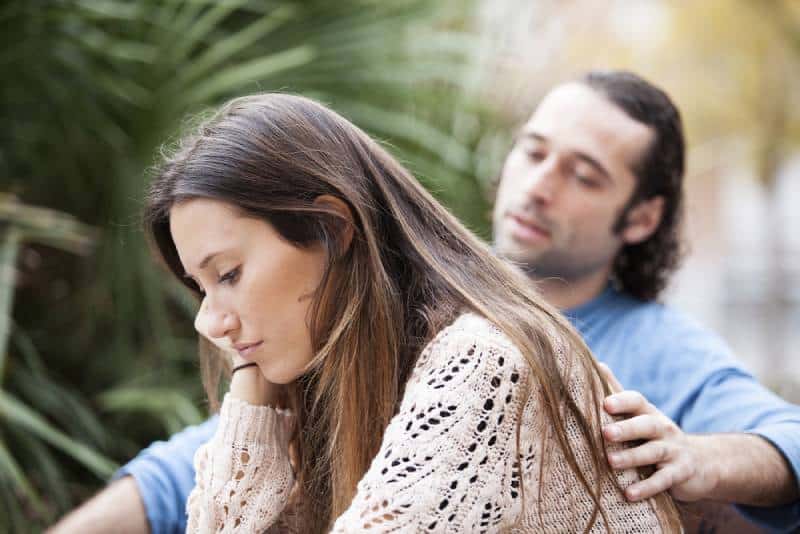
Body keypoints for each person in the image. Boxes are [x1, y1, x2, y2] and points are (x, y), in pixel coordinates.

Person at [47, 71, 800, 533]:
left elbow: (786, 442)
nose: (539, 184)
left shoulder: (510, 352)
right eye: (534, 150)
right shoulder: (368, 331)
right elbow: (188, 469)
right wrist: (253, 380)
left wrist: (695, 461)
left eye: (585, 174)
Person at [145, 92, 682, 532]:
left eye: (230, 275)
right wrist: (251, 387)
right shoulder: (333, 374)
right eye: (201, 288)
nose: (208, 322)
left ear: (332, 229)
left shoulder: (483, 362)